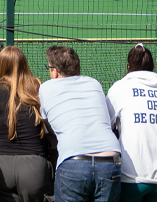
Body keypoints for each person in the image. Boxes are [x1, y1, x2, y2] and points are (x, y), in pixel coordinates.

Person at [39, 45, 122, 202]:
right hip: (110, 160)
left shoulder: (45, 88)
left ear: (55, 71)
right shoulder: (94, 83)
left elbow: (48, 124)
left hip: (73, 161)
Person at [107, 45, 157, 202]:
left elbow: (107, 124)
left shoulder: (119, 88)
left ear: (128, 67)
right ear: (153, 67)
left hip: (132, 176)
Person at [0, 45, 48, 202]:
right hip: (34, 165)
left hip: (2, 166)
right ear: (24, 63)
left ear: (1, 65)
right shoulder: (38, 86)